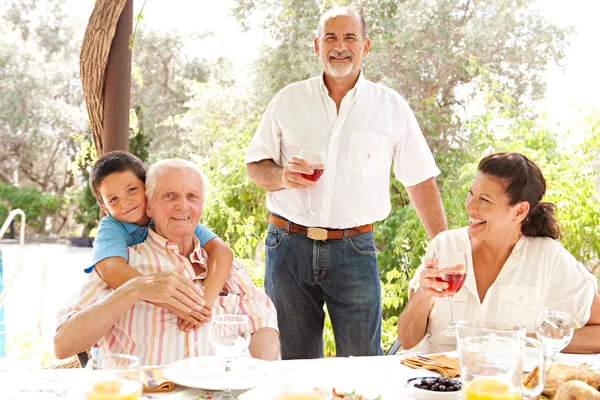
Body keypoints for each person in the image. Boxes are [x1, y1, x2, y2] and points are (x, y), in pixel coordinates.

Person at [245, 6, 447, 359]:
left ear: (365, 46)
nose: (340, 46)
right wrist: (281, 176)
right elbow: (255, 166)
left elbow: (420, 180)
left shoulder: (390, 106)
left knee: (363, 363)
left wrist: (445, 249)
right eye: (331, 38)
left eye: (350, 37)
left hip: (354, 250)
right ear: (317, 45)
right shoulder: (288, 100)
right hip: (286, 246)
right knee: (293, 363)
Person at [54, 159, 280, 364]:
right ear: (149, 204)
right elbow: (63, 345)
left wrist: (262, 376)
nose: (183, 206)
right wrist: (135, 290)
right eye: (169, 196)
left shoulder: (220, 264)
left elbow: (263, 323)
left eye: (192, 196)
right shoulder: (122, 258)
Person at [397, 152, 600, 354]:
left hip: (504, 382)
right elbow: (407, 340)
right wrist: (423, 294)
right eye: (471, 193)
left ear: (519, 211)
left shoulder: (547, 257)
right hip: (433, 381)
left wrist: (524, 341)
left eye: (484, 199)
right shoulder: (445, 245)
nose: (469, 206)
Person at [87, 151, 233, 331]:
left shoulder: (170, 216)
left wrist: (203, 304)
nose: (125, 203)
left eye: (132, 190)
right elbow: (111, 268)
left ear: (147, 190)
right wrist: (174, 303)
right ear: (105, 208)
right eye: (113, 199)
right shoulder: (111, 227)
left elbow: (221, 251)